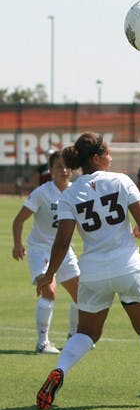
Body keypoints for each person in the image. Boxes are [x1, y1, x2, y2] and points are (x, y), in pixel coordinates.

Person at [35, 132, 140, 410]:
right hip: (129, 267)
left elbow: (62, 242)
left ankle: (60, 369)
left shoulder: (71, 192)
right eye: (108, 153)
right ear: (96, 158)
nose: (111, 157)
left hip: (93, 272)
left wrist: (48, 275)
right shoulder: (121, 180)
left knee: (86, 334)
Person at [12, 148, 79, 354]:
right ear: (50, 170)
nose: (64, 170)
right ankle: (42, 343)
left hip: (64, 250)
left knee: (81, 294)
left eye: (67, 166)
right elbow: (19, 220)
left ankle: (74, 337)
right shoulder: (42, 192)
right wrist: (17, 244)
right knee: (49, 291)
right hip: (40, 250)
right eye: (59, 166)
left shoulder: (77, 191)